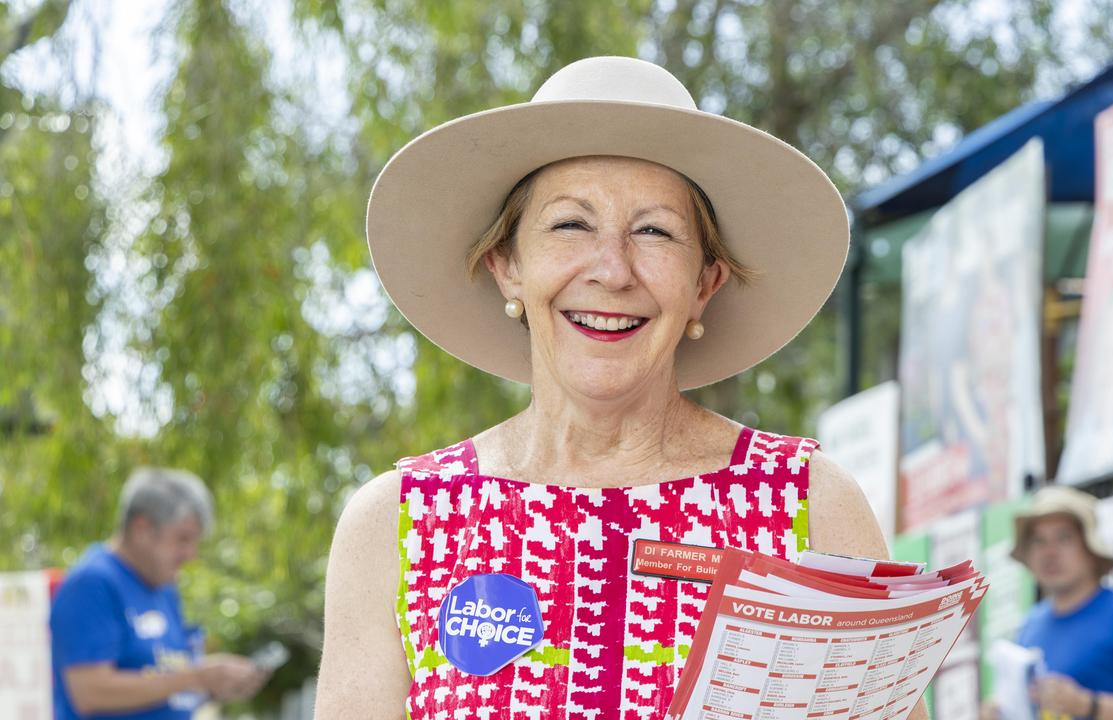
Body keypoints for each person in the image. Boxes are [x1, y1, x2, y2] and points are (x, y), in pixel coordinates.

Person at [315, 56, 920, 719]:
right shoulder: (399, 523)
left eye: (654, 232)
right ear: (508, 266)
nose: (612, 270)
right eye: (570, 225)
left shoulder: (809, 506)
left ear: (703, 286)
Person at [49, 467, 270, 719]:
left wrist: (214, 684)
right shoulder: (92, 584)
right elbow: (90, 693)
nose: (190, 554)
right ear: (142, 529)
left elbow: (166, 677)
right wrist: (197, 676)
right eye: (183, 539)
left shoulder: (163, 587)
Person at [985, 486, 1113, 720]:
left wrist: (1088, 705)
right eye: (1039, 541)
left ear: (1091, 549)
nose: (1050, 552)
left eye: (1064, 538)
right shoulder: (1030, 624)